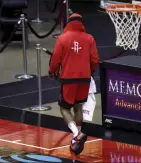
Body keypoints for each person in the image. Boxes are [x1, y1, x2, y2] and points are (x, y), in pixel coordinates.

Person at [49, 13, 99, 155]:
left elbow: (55, 59)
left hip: (68, 80)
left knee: (64, 108)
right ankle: (75, 140)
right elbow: (95, 60)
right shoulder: (89, 38)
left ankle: (77, 134)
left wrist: (52, 71)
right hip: (84, 79)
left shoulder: (62, 39)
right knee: (78, 108)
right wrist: (90, 72)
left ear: (69, 23)